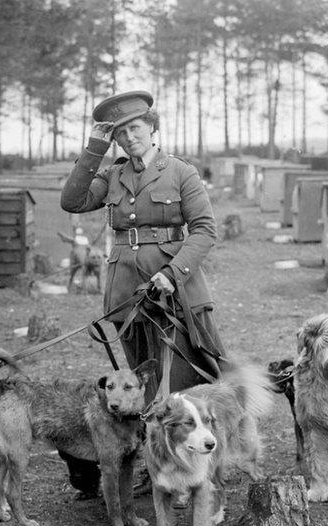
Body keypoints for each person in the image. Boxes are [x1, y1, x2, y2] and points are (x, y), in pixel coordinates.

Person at [59, 90, 229, 495]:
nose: (129, 138)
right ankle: (155, 466)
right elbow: (72, 200)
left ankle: (197, 471)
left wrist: (174, 271)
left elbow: (205, 230)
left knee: (185, 381)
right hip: (127, 293)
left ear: (152, 128)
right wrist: (95, 147)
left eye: (135, 128)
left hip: (176, 293)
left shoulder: (180, 172)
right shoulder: (114, 174)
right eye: (120, 134)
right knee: (143, 382)